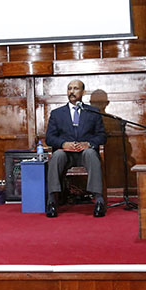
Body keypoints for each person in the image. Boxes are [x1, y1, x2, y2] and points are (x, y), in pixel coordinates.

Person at [45, 80, 107, 218]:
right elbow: (49, 138)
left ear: (83, 92)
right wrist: (63, 144)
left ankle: (98, 200)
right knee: (56, 157)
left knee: (91, 154)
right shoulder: (57, 113)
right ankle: (52, 200)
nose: (72, 91)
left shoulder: (93, 112)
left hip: (85, 153)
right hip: (66, 154)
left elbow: (102, 136)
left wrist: (89, 144)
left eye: (75, 88)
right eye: (69, 89)